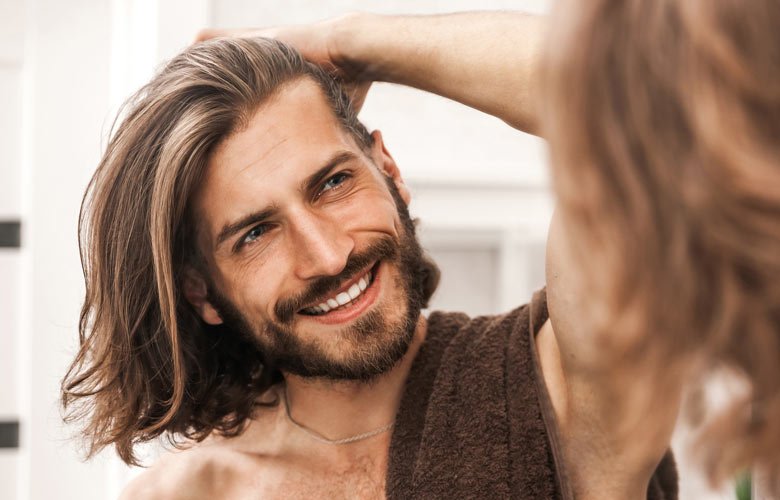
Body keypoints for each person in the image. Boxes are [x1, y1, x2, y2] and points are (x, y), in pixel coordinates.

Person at [62, 4, 779, 500]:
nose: (326, 254)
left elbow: (655, 109)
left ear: (390, 172)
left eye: (335, 183)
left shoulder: (552, 387)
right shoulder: (188, 493)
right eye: (255, 233)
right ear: (201, 294)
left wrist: (351, 42)